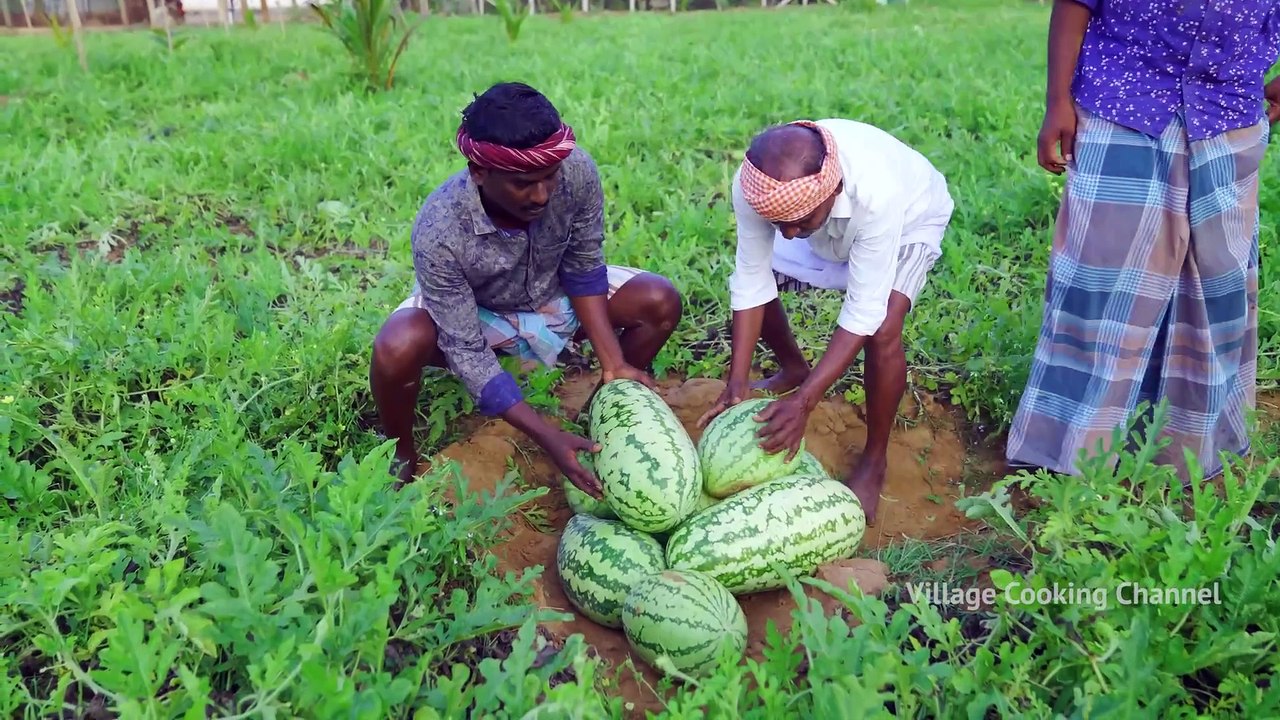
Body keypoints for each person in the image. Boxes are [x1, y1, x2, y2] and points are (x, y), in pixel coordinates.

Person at [1007, 0, 1280, 482]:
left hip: (1227, 113)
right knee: (1103, 283)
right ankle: (1073, 456)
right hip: (1124, 100)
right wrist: (1057, 101)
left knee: (1215, 290)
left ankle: (1187, 456)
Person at [370, 82, 683, 495]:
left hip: (553, 291)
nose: (541, 195)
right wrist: (545, 436)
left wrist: (614, 363)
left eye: (549, 178)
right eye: (523, 184)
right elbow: (465, 346)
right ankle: (401, 451)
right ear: (479, 172)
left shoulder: (576, 172)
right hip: (478, 311)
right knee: (397, 345)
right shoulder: (440, 228)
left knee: (658, 301)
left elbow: (585, 265)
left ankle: (598, 415)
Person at [698, 118, 954, 523]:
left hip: (907, 223)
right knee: (764, 281)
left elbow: (863, 311)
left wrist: (804, 404)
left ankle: (875, 459)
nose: (787, 234)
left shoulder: (877, 193)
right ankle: (793, 367)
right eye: (778, 224)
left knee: (884, 326)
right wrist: (737, 383)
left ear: (833, 190)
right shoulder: (758, 187)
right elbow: (750, 279)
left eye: (797, 221)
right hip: (828, 233)